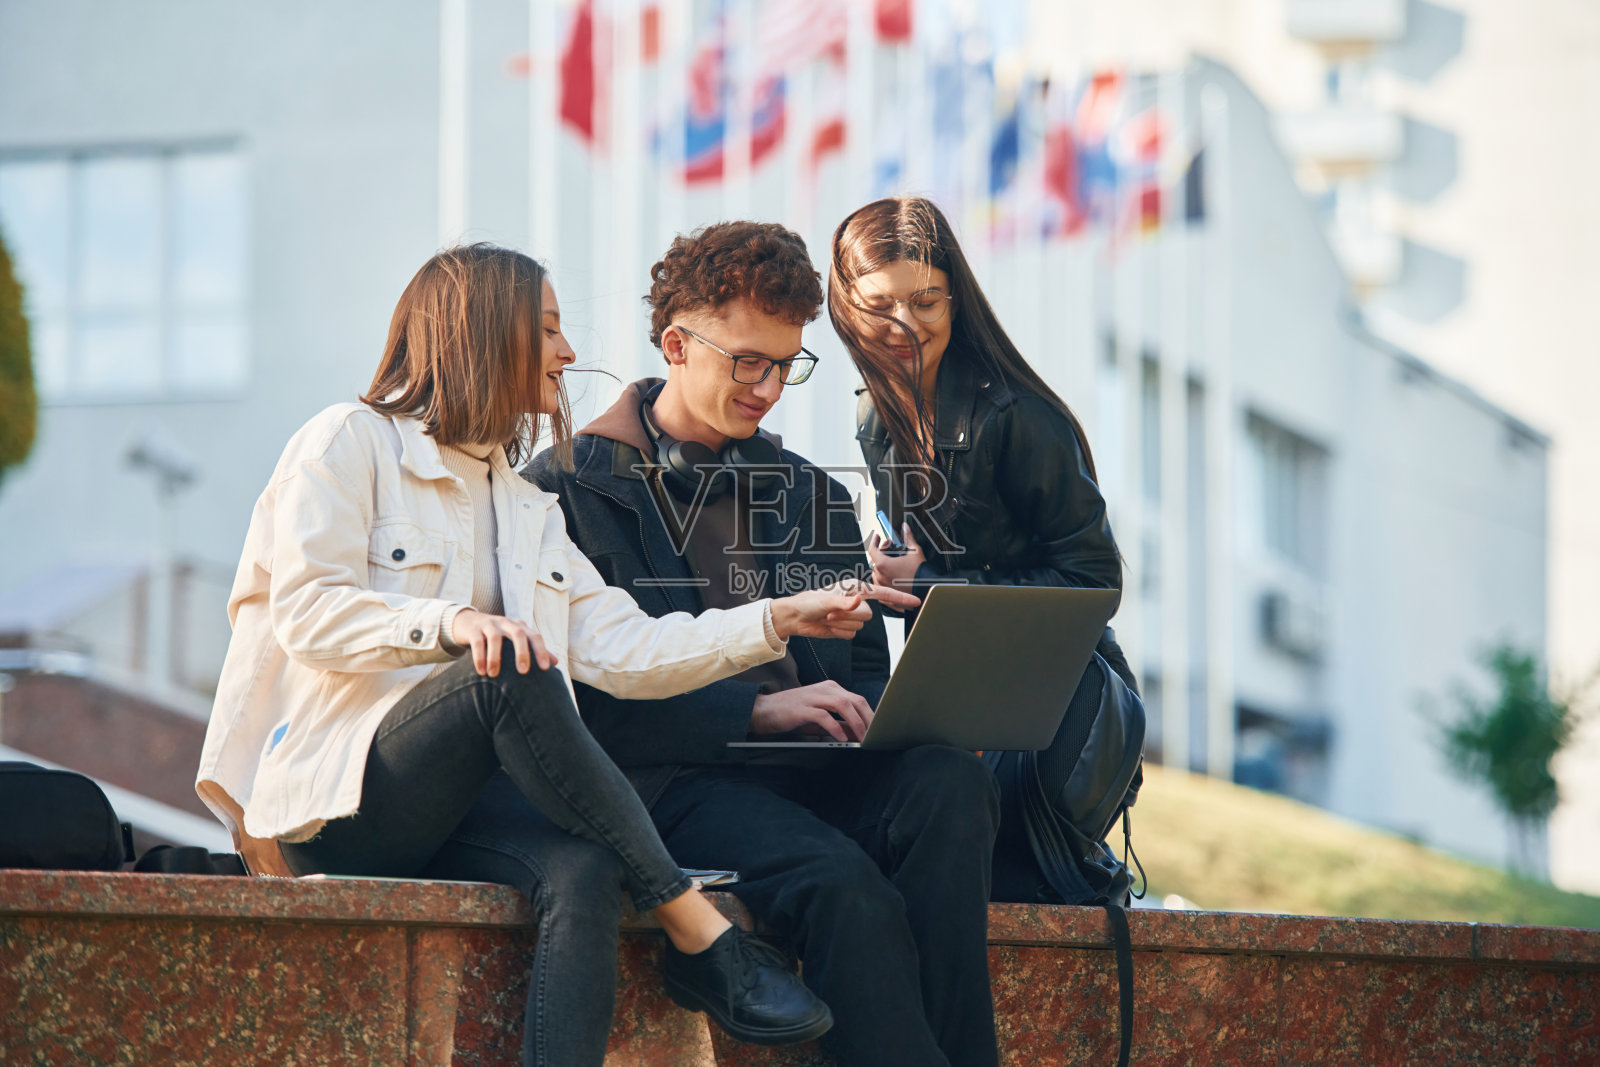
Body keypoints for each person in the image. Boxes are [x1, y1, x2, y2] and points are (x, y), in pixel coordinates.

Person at [194, 243, 918, 1066]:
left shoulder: (522, 500)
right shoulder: (349, 441)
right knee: (514, 667)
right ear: (482, 331)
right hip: (338, 802)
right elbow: (304, 611)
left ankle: (688, 934)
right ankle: (699, 930)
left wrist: (779, 618)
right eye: (547, 329)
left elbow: (629, 647)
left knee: (584, 873)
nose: (569, 352)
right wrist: (456, 623)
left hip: (460, 805)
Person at [526, 221, 1002, 1067]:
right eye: (749, 361)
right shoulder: (563, 489)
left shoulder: (811, 490)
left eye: (787, 364)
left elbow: (859, 673)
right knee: (845, 886)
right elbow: (576, 707)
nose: (770, 388)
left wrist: (891, 712)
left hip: (811, 773)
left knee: (948, 783)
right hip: (673, 781)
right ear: (676, 343)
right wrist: (758, 706)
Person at [828, 196, 1141, 905]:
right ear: (845, 306)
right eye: (880, 305)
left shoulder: (1019, 416)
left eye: (927, 301)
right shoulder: (873, 413)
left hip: (1047, 718)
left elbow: (1095, 581)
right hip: (955, 708)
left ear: (957, 299)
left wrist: (934, 579)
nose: (904, 325)